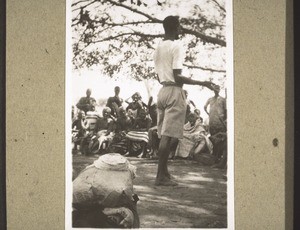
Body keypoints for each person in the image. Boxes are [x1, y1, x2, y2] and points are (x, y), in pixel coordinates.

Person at [153, 15, 217, 186]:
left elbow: (158, 75)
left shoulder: (158, 47)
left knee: (164, 136)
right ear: (175, 27)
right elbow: (178, 76)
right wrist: (203, 82)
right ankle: (160, 176)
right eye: (180, 26)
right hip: (174, 90)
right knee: (168, 137)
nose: (181, 29)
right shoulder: (176, 46)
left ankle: (164, 174)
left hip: (162, 91)